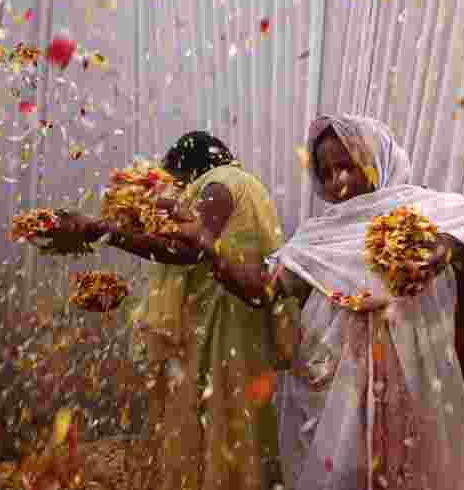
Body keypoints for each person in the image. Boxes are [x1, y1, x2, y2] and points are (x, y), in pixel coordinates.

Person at [180, 115, 464, 490]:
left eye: (346, 165)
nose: (335, 181)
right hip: (334, 400)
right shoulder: (317, 237)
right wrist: (208, 249)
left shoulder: (425, 211)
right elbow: (265, 290)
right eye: (324, 173)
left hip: (420, 388)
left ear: (378, 158)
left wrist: (445, 247)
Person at [53, 131, 296, 490]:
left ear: (187, 170)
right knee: (233, 418)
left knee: (214, 418)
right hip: (235, 319)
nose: (174, 191)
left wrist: (99, 230)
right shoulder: (245, 185)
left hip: (222, 321)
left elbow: (186, 249)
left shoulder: (219, 183)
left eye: (175, 181)